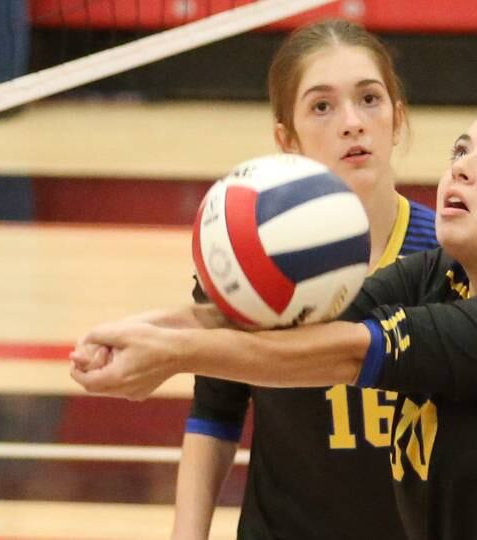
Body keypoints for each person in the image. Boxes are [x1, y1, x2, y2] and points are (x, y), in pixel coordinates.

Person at [71, 96, 477, 539]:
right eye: (461, 150)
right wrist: (146, 331)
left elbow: (345, 351)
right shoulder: (437, 277)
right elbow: (288, 324)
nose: (462, 169)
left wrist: (172, 355)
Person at [86, 19, 437, 540]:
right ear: (286, 139)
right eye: (322, 106)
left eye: (369, 99)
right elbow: (215, 414)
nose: (351, 122)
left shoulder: (448, 256)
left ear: (397, 118)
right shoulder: (245, 260)